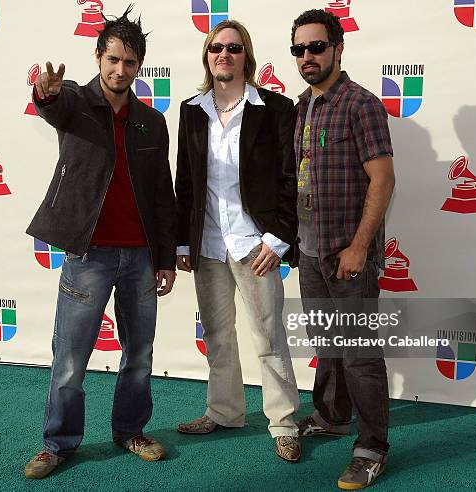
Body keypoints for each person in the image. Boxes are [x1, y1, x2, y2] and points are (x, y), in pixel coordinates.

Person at [23, 7, 176, 479]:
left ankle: (131, 431)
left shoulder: (152, 120)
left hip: (140, 257)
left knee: (140, 354)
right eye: (112, 59)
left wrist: (166, 257)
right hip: (88, 255)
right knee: (70, 358)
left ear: (140, 66)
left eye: (130, 63)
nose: (119, 70)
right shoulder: (72, 101)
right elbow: (52, 104)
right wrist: (44, 93)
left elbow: (163, 195)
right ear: (98, 56)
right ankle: (58, 444)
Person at [174, 19, 301, 462]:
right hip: (207, 244)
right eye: (215, 48)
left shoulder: (277, 109)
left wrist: (278, 238)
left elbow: (291, 180)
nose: (223, 55)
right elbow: (185, 182)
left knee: (269, 336)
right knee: (218, 336)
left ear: (247, 55)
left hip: (257, 245)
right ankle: (224, 412)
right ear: (207, 57)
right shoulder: (191, 110)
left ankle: (284, 422)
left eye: (232, 48)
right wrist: (182, 243)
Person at [290, 9, 395, 490]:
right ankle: (332, 415)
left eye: (316, 47)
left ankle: (372, 446)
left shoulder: (361, 104)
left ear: (337, 48)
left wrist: (359, 246)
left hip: (346, 254)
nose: (307, 57)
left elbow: (383, 179)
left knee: (360, 355)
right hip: (310, 252)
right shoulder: (301, 106)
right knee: (329, 344)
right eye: (299, 49)